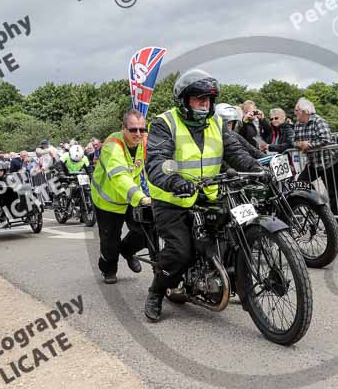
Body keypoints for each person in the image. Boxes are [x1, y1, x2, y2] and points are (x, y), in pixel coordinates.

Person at [144, 69, 262, 322]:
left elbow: (235, 152)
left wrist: (258, 169)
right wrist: (175, 181)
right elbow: (156, 161)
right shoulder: (165, 123)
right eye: (199, 99)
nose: (204, 104)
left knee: (236, 231)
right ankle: (156, 291)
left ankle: (230, 277)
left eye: (208, 99)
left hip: (208, 195)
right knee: (181, 252)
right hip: (172, 199)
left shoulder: (216, 123)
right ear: (184, 101)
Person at [92, 111, 152, 284]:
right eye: (133, 130)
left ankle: (127, 250)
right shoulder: (112, 145)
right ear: (123, 128)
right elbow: (119, 176)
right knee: (110, 242)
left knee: (147, 230)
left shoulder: (145, 141)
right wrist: (141, 197)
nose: (138, 134)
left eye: (142, 129)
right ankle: (108, 269)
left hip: (131, 196)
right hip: (108, 201)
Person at [293, 97, 338, 224]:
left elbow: (325, 139)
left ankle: (336, 221)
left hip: (329, 162)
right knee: (301, 182)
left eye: (297, 110)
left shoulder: (319, 121)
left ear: (305, 111)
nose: (295, 113)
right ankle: (318, 204)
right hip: (313, 163)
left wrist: (309, 145)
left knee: (333, 193)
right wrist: (299, 144)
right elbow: (294, 141)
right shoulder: (298, 124)